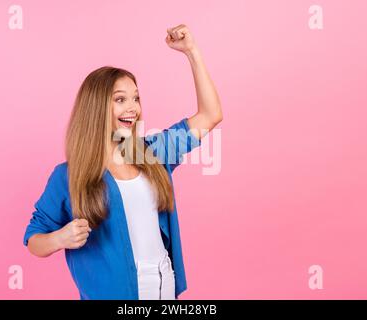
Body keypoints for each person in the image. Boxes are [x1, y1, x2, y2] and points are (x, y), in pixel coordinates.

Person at [23, 24, 223, 300]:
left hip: (164, 287)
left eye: (136, 98)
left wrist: (192, 52)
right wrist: (59, 239)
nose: (133, 108)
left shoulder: (150, 152)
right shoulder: (68, 176)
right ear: (96, 108)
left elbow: (210, 115)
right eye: (120, 99)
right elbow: (35, 239)